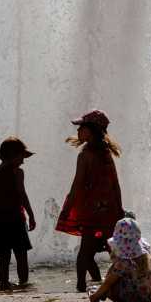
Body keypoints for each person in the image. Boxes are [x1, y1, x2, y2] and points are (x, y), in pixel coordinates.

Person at [56, 109, 124, 292]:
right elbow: (115, 185)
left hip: (91, 212)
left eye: (81, 128)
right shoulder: (106, 154)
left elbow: (77, 184)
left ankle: (80, 285)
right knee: (113, 250)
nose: (78, 131)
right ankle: (115, 280)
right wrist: (119, 208)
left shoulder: (85, 155)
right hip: (108, 211)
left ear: (91, 130)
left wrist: (66, 208)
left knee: (85, 252)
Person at [0, 136, 37, 290]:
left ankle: (3, 283)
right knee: (21, 255)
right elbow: (22, 195)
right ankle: (23, 284)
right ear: (13, 156)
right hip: (16, 220)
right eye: (21, 157)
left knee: (3, 257)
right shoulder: (17, 173)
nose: (23, 161)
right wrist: (31, 215)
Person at [88, 218, 151, 302]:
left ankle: (100, 293)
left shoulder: (124, 262)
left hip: (129, 299)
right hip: (149, 298)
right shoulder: (147, 256)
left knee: (109, 281)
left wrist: (94, 297)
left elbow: (108, 283)